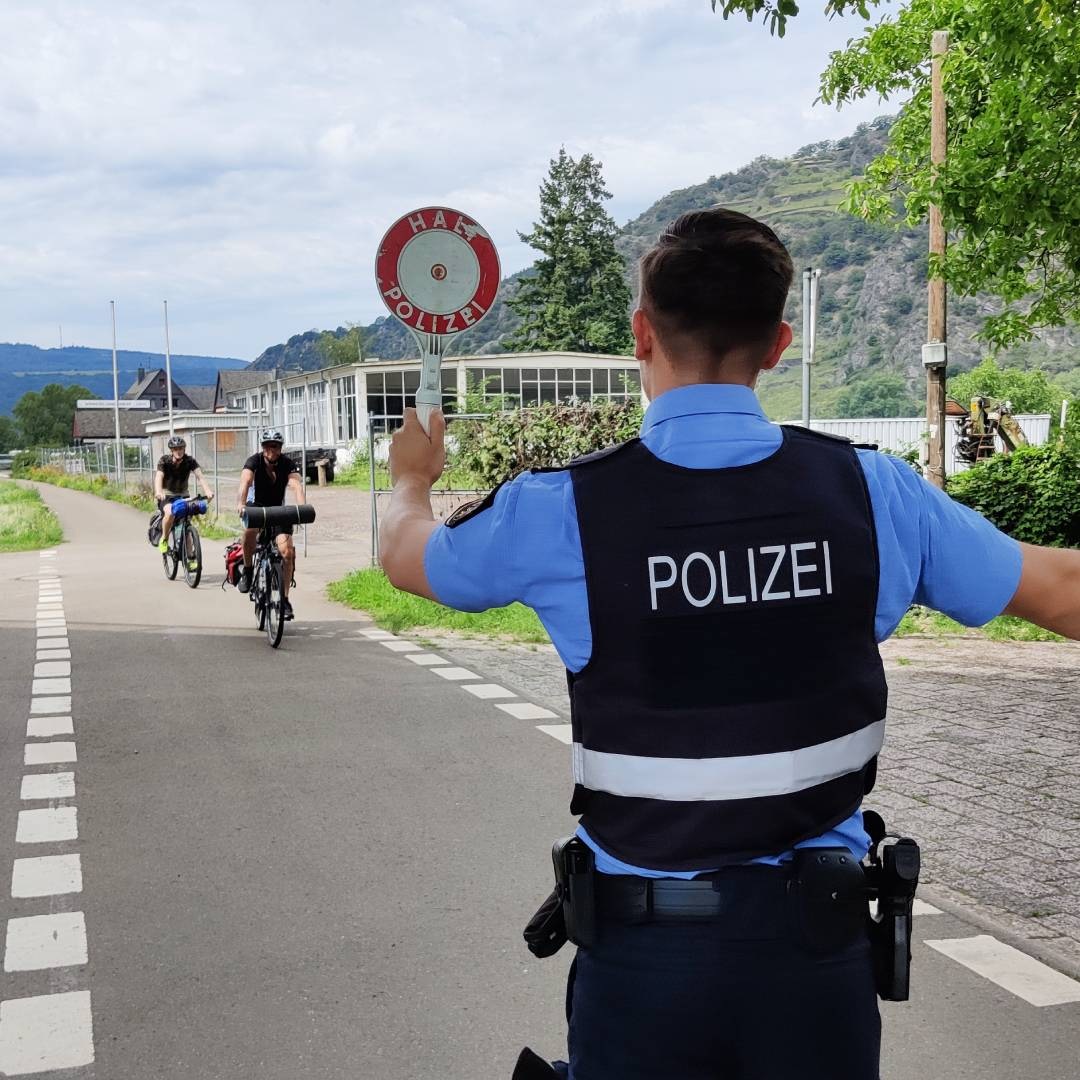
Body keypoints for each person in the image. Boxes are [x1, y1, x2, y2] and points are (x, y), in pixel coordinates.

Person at [378, 209, 1080, 1080]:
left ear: (641, 334)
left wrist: (411, 478)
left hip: (643, 969)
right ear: (780, 343)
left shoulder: (563, 509)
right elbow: (1063, 592)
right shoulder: (873, 494)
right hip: (812, 967)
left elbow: (405, 560)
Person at [236, 429, 304, 620]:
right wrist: (241, 503)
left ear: (280, 448)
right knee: (249, 531)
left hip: (277, 510)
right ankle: (248, 571)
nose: (270, 449)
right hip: (256, 507)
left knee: (287, 552)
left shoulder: (287, 463)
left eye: (274, 446)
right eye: (266, 445)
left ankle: (285, 599)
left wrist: (302, 508)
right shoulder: (254, 461)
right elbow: (246, 482)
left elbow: (296, 485)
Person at [155, 435, 214, 554]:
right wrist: (159, 491)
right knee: (170, 512)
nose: (179, 451)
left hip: (183, 495)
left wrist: (207, 491)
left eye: (181, 448)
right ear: (171, 450)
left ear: (184, 449)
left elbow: (200, 476)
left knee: (186, 524)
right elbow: (159, 476)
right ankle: (164, 539)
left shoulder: (189, 461)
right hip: (167, 495)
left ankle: (191, 556)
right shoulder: (164, 460)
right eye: (176, 449)